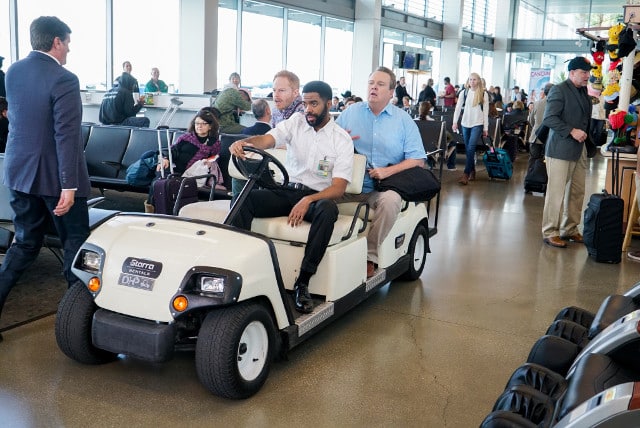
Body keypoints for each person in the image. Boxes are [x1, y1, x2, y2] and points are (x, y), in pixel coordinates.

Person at [0, 16, 91, 343]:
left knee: (25, 244)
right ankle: (76, 328)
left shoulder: (14, 72)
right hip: (56, 179)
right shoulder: (64, 79)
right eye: (67, 43)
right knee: (75, 246)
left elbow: (19, 121)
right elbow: (66, 135)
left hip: (19, 174)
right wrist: (69, 185)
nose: (69, 49)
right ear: (56, 42)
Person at [228, 80, 353, 313]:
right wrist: (244, 142)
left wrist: (308, 200)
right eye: (305, 104)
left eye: (314, 104)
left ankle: (303, 282)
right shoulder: (296, 122)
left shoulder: (340, 139)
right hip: (287, 192)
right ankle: (238, 267)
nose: (308, 109)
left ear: (328, 104)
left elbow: (338, 188)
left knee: (328, 210)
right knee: (244, 199)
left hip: (317, 198)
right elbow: (266, 140)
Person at [336, 66, 426, 278]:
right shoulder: (350, 113)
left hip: (383, 188)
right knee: (314, 195)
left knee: (391, 201)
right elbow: (328, 144)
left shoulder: (403, 121)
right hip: (348, 184)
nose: (374, 87)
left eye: (380, 84)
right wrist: (339, 141)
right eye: (371, 83)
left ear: (391, 92)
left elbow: (418, 160)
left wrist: (387, 172)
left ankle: (370, 256)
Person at [541, 56, 593, 249]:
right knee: (556, 193)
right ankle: (550, 231)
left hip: (580, 149)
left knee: (577, 192)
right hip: (560, 150)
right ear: (572, 73)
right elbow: (549, 118)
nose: (587, 76)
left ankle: (569, 229)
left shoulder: (583, 91)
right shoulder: (559, 90)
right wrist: (571, 131)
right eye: (583, 72)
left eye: (588, 72)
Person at [145, 108, 222, 212]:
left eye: (203, 123)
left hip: (193, 173)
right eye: (197, 123)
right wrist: (165, 158)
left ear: (210, 126)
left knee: (168, 183)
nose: (199, 126)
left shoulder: (214, 143)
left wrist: (208, 162)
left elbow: (214, 159)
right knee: (160, 180)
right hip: (174, 168)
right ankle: (152, 208)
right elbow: (172, 150)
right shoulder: (186, 138)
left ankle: (167, 209)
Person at [452, 72, 489, 185]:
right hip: (465, 123)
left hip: (477, 124)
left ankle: (466, 174)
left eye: (474, 79)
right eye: (470, 79)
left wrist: (485, 128)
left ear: (478, 81)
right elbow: (458, 108)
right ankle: (472, 170)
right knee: (468, 149)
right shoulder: (464, 92)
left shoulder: (483, 94)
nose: (472, 82)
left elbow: (485, 112)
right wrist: (455, 122)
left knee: (471, 147)